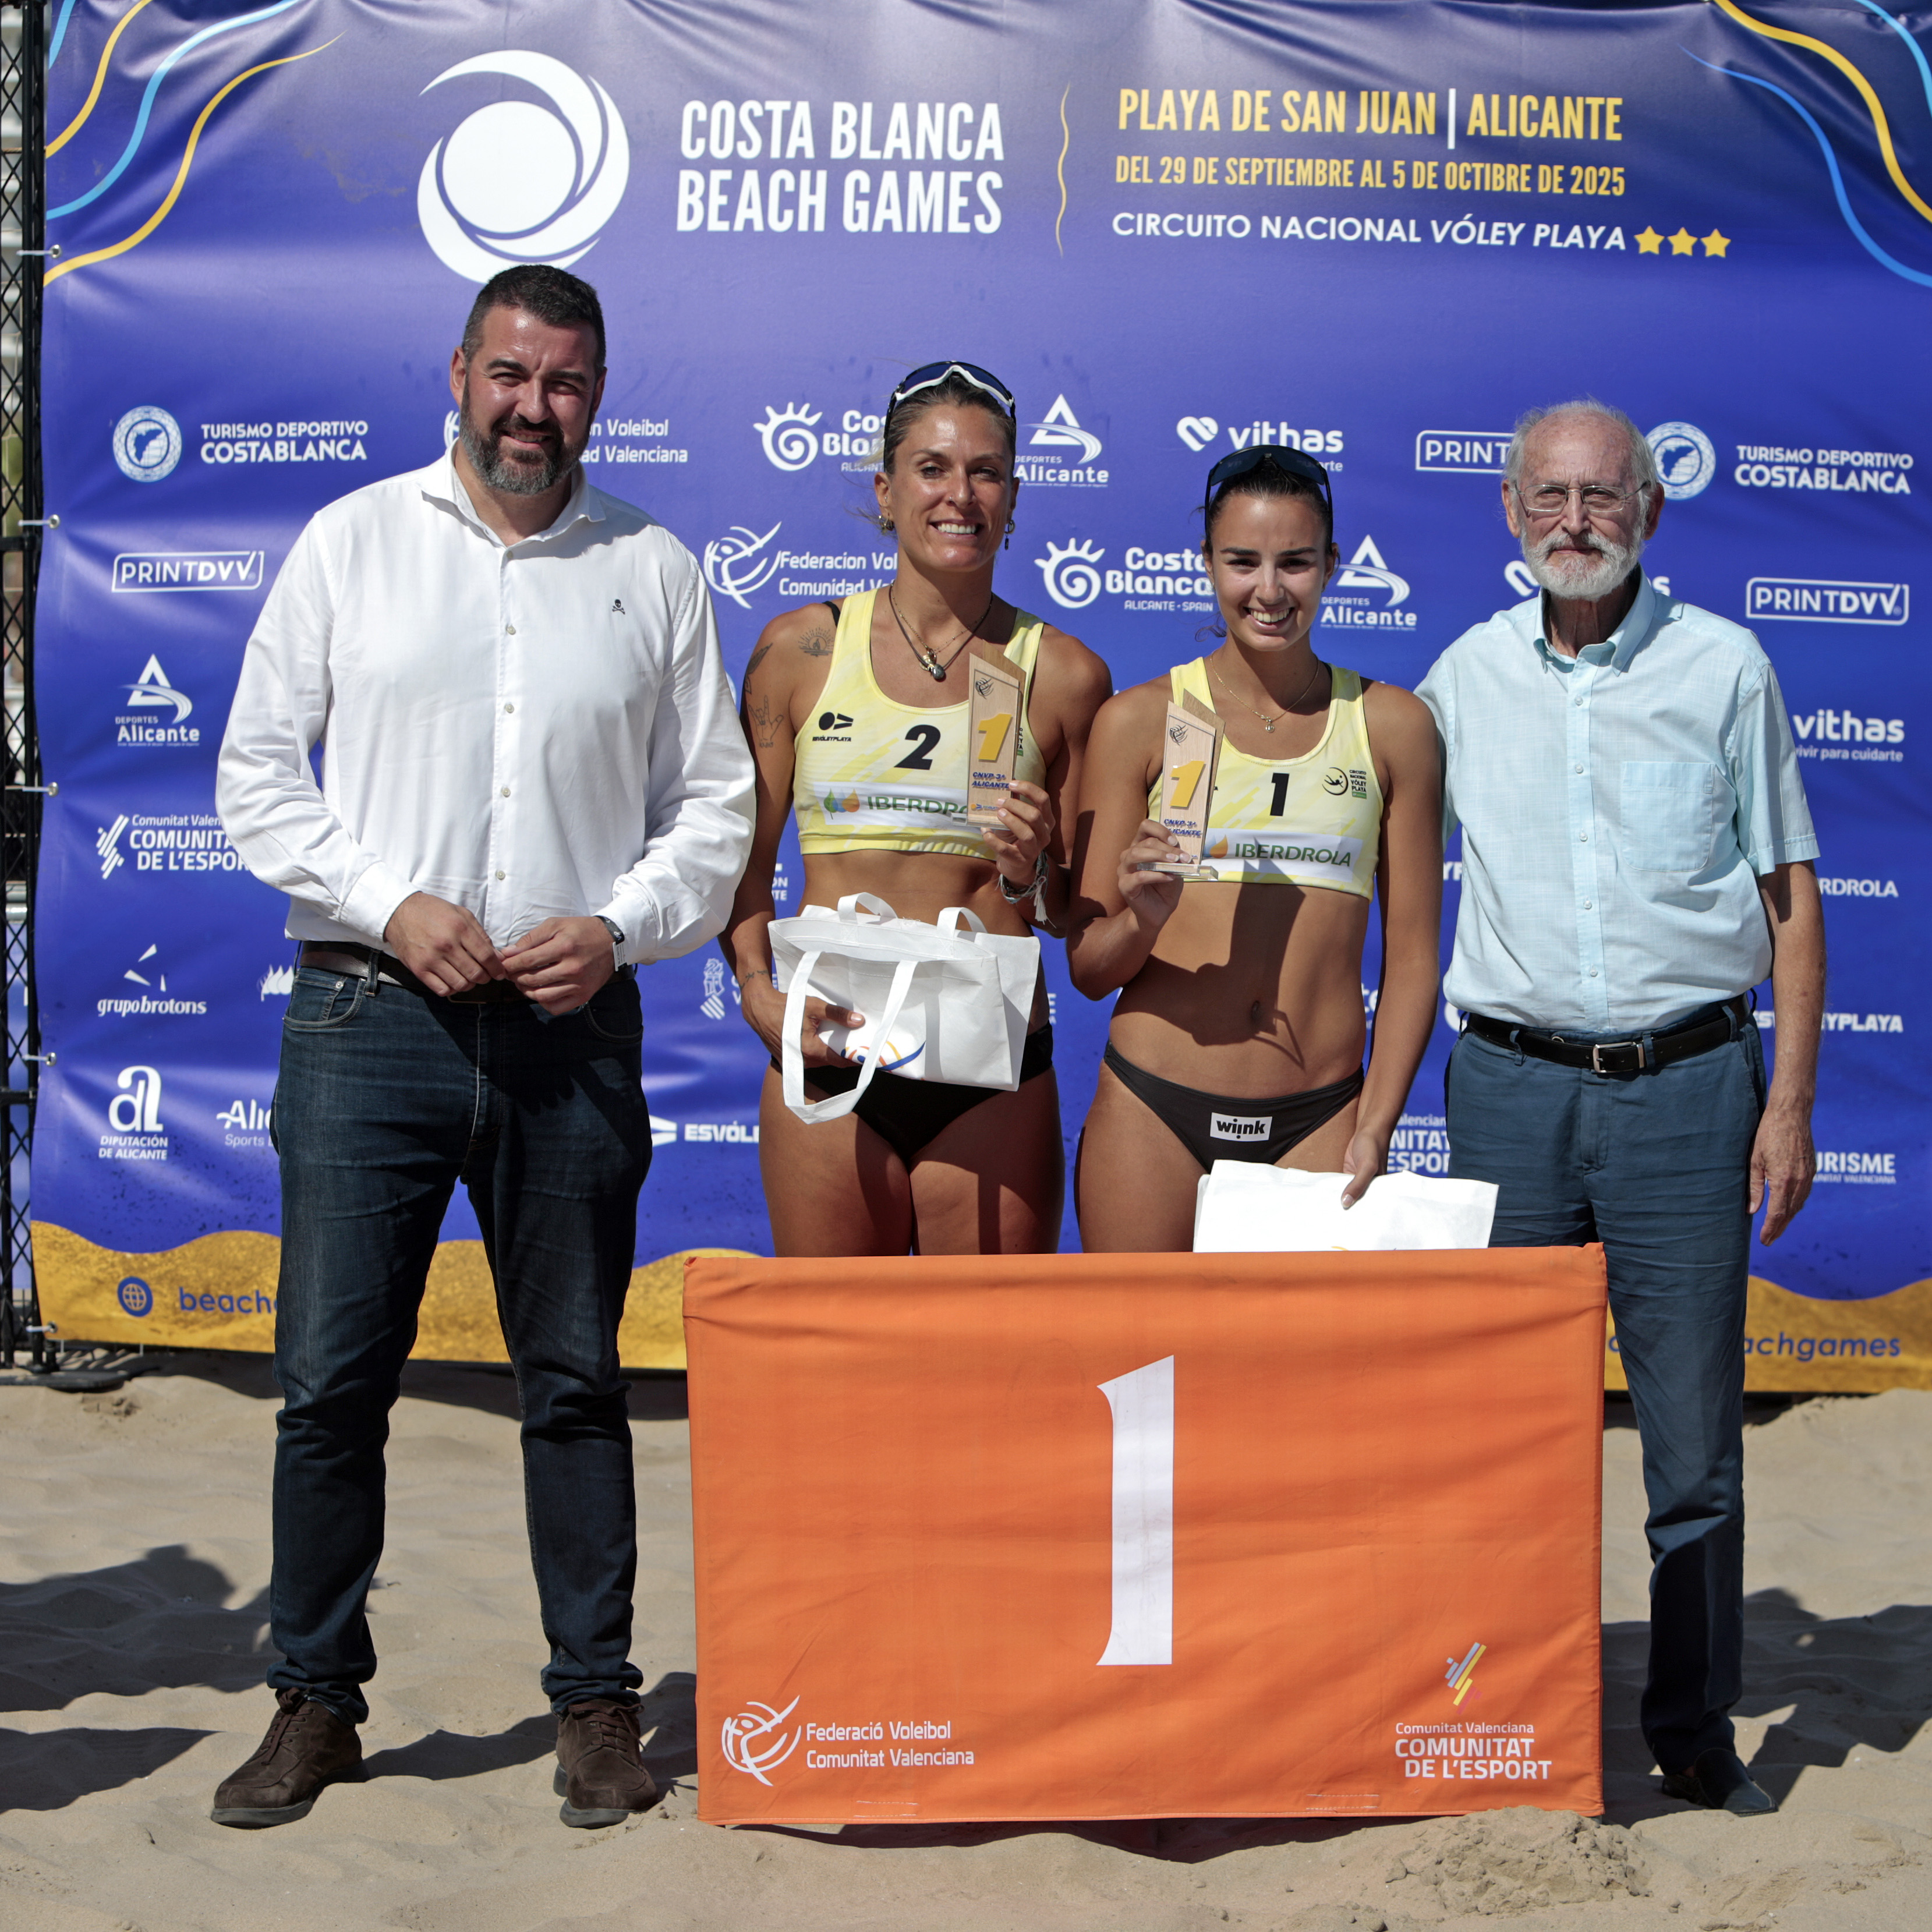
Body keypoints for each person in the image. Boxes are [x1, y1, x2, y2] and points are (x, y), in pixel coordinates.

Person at [212, 266, 753, 1830]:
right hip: (366, 1020)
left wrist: (621, 925)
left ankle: (595, 1703)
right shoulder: (352, 542)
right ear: (458, 373)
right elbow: (257, 775)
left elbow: (714, 811)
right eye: (509, 375)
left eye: (564, 381)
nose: (533, 408)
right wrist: (389, 904)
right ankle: (315, 1701)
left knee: (574, 1378)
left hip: (568, 1033)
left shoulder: (653, 568)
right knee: (329, 1383)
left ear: (599, 394)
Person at [1418, 399, 1825, 1817]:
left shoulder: (1727, 668)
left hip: (1690, 1097)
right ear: (1510, 511)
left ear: (1649, 510)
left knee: (1694, 1448)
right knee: (1500, 1437)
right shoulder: (1461, 679)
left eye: (1603, 496)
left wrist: (1788, 1103)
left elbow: (1790, 899)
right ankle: (1505, 1721)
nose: (1576, 521)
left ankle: (1695, 1732)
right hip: (1510, 1094)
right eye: (1551, 496)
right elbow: (1378, 869)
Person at [721, 361, 1110, 1256]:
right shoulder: (800, 650)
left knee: (983, 1345)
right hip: (830, 1046)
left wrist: (1029, 872)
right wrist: (755, 993)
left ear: (1013, 498)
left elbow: (1067, 914)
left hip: (988, 1065)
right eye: (932, 468)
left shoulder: (1065, 674)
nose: (959, 495)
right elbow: (740, 862)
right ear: (885, 489)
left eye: (985, 472)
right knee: (832, 1340)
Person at [1068, 448, 1442, 1249]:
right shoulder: (1138, 721)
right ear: (1205, 562)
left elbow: (1412, 960)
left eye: (1295, 563)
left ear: (1331, 565)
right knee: (1139, 1339)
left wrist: (1376, 1123)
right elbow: (1089, 970)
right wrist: (1140, 920)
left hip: (1318, 1119)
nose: (1269, 591)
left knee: (1298, 1342)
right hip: (1152, 1109)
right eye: (1242, 561)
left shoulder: (1394, 727)